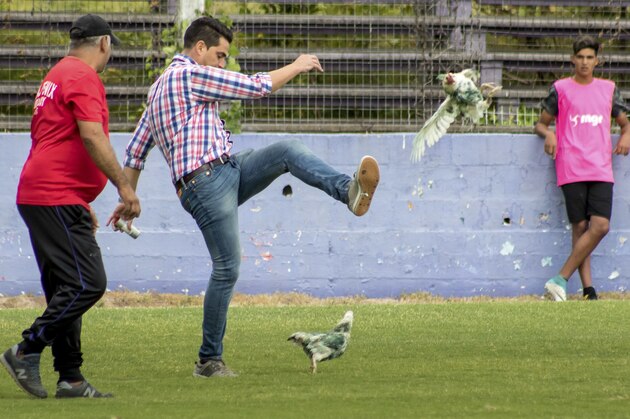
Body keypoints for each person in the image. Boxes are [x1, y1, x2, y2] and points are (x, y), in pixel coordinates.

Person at [122, 16, 379, 377]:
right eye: (221, 55)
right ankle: (209, 361)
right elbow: (255, 86)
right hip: (205, 183)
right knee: (227, 268)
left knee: (288, 150)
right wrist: (298, 64)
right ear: (200, 49)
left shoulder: (157, 91)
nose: (223, 62)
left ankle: (349, 192)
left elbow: (135, 152)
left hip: (226, 170)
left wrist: (127, 197)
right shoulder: (189, 74)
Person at [0, 14, 141, 398]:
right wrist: (124, 187)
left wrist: (80, 196)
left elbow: (53, 138)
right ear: (104, 44)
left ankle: (71, 378)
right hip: (54, 194)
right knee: (87, 283)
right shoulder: (82, 76)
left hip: (45, 193)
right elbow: (92, 137)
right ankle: (26, 349)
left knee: (65, 287)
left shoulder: (57, 74)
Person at [535, 35, 630, 301]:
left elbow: (625, 122)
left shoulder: (609, 89)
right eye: (580, 57)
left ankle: (559, 278)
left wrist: (626, 134)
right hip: (571, 165)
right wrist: (549, 134)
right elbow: (541, 123)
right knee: (580, 227)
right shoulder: (560, 89)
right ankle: (589, 290)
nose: (585, 62)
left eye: (590, 58)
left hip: (601, 167)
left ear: (597, 61)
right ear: (573, 60)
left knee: (600, 226)